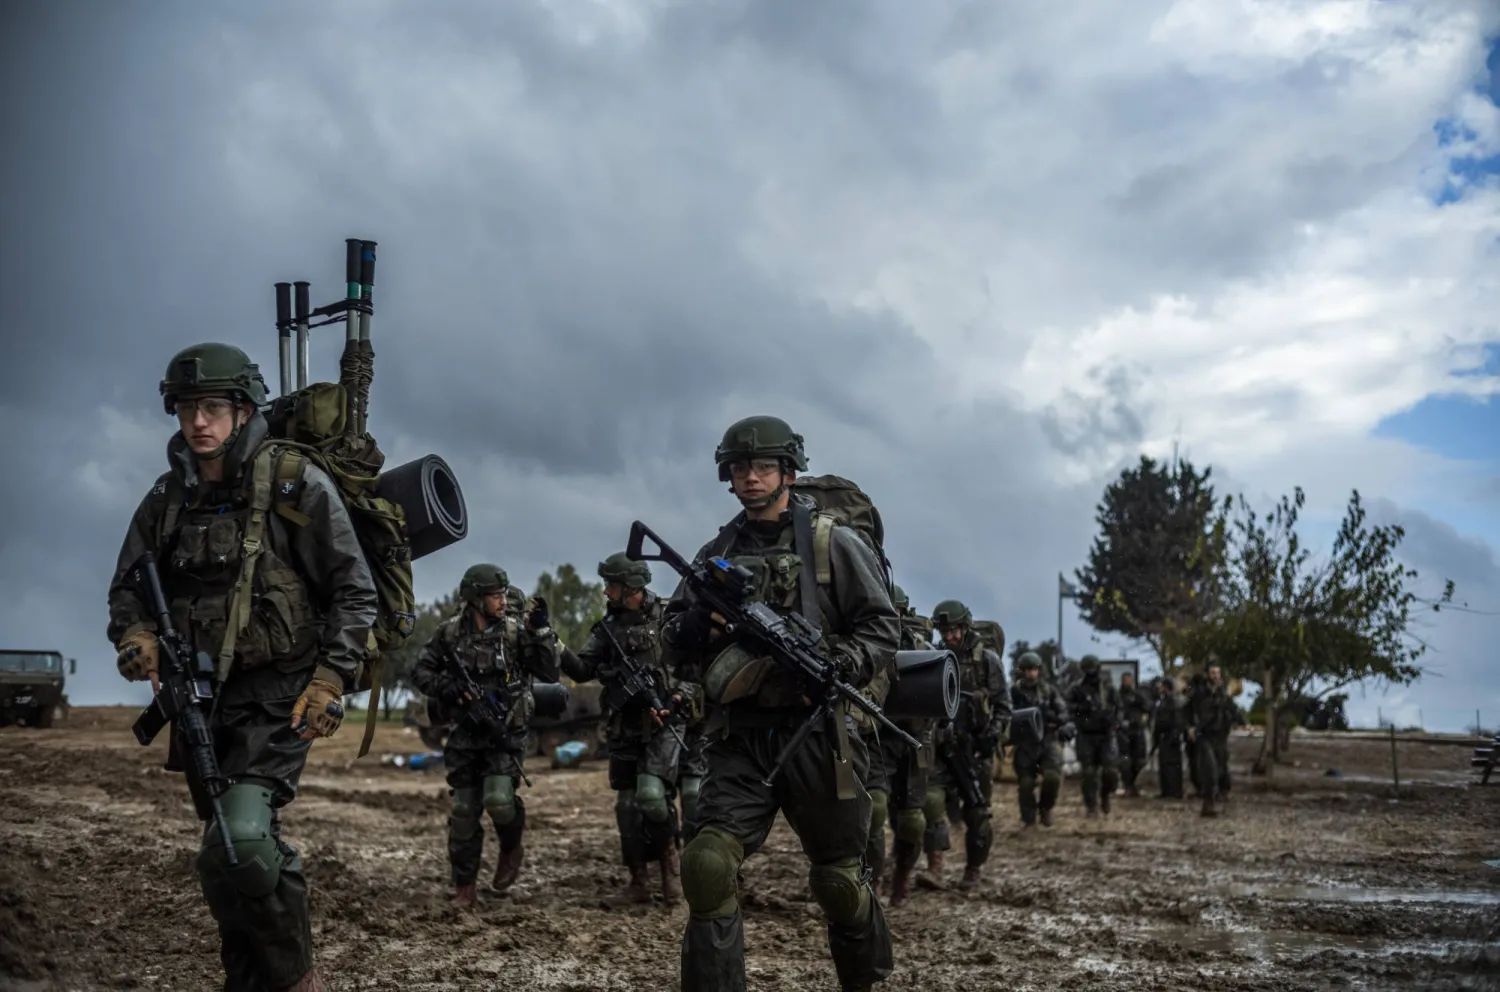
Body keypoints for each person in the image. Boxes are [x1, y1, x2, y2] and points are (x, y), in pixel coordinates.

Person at [108, 343, 377, 992]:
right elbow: (126, 588)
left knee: (245, 844)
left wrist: (331, 677)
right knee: (223, 861)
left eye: (212, 408)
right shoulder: (167, 499)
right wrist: (137, 634)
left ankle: (298, 979)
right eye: (186, 409)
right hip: (202, 705)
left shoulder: (292, 483)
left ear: (243, 410)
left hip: (280, 699)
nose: (198, 422)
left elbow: (353, 589)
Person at [662, 415, 899, 992]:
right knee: (706, 866)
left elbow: (882, 629)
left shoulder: (831, 543)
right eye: (740, 468)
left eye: (763, 467)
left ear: (788, 472)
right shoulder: (715, 552)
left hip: (820, 735)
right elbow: (667, 637)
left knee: (840, 885)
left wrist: (842, 661)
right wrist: (694, 623)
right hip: (740, 737)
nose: (750, 478)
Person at [410, 564, 561, 905]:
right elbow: (419, 670)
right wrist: (446, 687)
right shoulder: (449, 634)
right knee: (464, 810)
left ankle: (511, 845)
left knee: (498, 799)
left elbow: (549, 670)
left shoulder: (514, 633)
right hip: (465, 734)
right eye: (495, 595)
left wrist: (540, 632)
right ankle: (464, 886)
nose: (503, 601)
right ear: (476, 598)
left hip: (505, 732)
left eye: (504, 594)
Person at [564, 552, 699, 904]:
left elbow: (697, 667)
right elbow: (581, 670)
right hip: (625, 725)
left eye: (611, 585)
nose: (605, 592)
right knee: (626, 806)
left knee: (652, 796)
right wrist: (553, 643)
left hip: (665, 722)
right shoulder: (608, 628)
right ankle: (638, 879)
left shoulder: (672, 616)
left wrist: (679, 698)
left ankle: (671, 865)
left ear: (632, 588)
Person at [921, 600, 1009, 890]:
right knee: (931, 801)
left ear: (965, 627)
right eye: (944, 631)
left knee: (977, 813)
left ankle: (973, 869)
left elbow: (1003, 706)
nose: (949, 637)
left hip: (975, 748)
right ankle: (935, 867)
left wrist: (991, 737)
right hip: (942, 745)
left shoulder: (987, 661)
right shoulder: (935, 657)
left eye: (954, 631)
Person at [864, 584, 931, 907]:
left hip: (913, 742)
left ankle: (902, 878)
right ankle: (873, 879)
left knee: (912, 821)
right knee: (874, 808)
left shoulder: (923, 650)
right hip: (876, 738)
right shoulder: (865, 646)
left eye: (898, 612)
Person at [1008, 653, 1069, 827]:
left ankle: (1046, 808)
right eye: (1027, 670)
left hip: (1047, 740)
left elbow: (1063, 711)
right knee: (1026, 784)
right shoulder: (1014, 692)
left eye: (1033, 669)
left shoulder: (1048, 690)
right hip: (1025, 743)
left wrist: (1054, 718)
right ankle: (1028, 819)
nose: (1030, 674)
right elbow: (1004, 712)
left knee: (1052, 778)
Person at [1067, 655, 1121, 818]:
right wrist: (1082, 708)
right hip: (1086, 735)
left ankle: (1105, 795)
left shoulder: (1108, 688)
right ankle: (1091, 805)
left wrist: (1113, 719)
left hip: (1106, 734)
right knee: (1089, 773)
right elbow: (1068, 708)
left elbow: (1119, 708)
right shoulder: (1076, 688)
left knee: (1110, 771)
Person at [1186, 663, 1240, 817]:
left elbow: (1231, 709)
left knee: (1221, 768)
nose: (1216, 676)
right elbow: (1187, 710)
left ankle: (1217, 798)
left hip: (1221, 736)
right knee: (1209, 770)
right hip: (1205, 735)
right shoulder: (1199, 693)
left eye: (1218, 673)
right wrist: (1190, 727)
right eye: (1213, 673)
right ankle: (1208, 805)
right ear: (1207, 675)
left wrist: (1243, 723)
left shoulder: (1222, 692)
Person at [1150, 676, 1186, 799]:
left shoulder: (1174, 701)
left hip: (1171, 736)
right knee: (1164, 764)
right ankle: (1166, 791)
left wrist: (1174, 736)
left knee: (1172, 765)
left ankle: (1175, 791)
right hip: (1163, 736)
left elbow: (1177, 721)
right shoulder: (1164, 700)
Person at [1116, 672, 1150, 796]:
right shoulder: (1118, 695)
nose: (1127, 682)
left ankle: (1135, 785)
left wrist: (1143, 719)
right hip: (1123, 731)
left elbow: (1147, 708)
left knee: (1139, 759)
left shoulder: (1138, 695)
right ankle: (1127, 785)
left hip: (1137, 730)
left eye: (1128, 680)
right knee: (1125, 760)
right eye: (1125, 680)